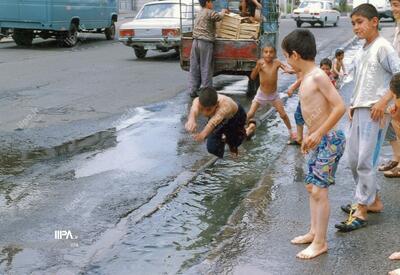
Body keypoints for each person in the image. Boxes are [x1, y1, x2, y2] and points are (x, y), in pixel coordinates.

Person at [334, 4, 400, 232]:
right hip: (359, 109)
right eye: (353, 23)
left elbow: (399, 75)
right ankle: (374, 200)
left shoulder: (384, 47)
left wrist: (384, 101)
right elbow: (360, 81)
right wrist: (352, 104)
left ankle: (361, 208)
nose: (356, 27)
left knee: (366, 160)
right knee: (354, 159)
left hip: (375, 111)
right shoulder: (363, 50)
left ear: (375, 21)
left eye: (360, 22)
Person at [282, 29, 346, 259]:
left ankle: (320, 242)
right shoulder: (307, 78)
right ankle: (313, 232)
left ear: (295, 55)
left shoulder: (318, 76)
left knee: (320, 190)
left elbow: (340, 107)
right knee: (312, 188)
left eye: (287, 56)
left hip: (330, 139)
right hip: (318, 139)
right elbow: (314, 112)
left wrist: (318, 133)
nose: (287, 61)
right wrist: (309, 137)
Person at [245, 45, 296, 142]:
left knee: (283, 115)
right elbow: (252, 76)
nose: (268, 54)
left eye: (271, 52)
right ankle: (238, 130)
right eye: (266, 52)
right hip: (261, 94)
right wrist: (257, 68)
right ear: (262, 54)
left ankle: (291, 132)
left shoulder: (276, 62)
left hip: (273, 95)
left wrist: (296, 70)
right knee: (250, 113)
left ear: (275, 54)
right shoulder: (260, 63)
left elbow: (287, 69)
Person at [185, 87, 247, 158]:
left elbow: (213, 123)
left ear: (217, 104)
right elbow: (194, 110)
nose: (205, 113)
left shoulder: (225, 105)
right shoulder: (197, 101)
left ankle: (243, 134)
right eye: (202, 109)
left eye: (208, 110)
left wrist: (202, 135)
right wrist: (191, 120)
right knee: (212, 148)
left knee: (234, 143)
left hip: (236, 116)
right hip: (218, 119)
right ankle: (222, 146)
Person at [189, 0, 227, 98]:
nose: (212, 4)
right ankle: (207, 92)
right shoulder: (210, 12)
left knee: (195, 67)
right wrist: (223, 11)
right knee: (205, 66)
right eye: (211, 2)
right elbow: (219, 17)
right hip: (205, 42)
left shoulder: (200, 12)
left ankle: (193, 90)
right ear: (207, 2)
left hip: (195, 42)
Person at [380, 0, 400, 179]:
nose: (394, 9)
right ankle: (397, 158)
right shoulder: (398, 26)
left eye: (398, 5)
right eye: (393, 4)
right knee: (393, 121)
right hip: (397, 83)